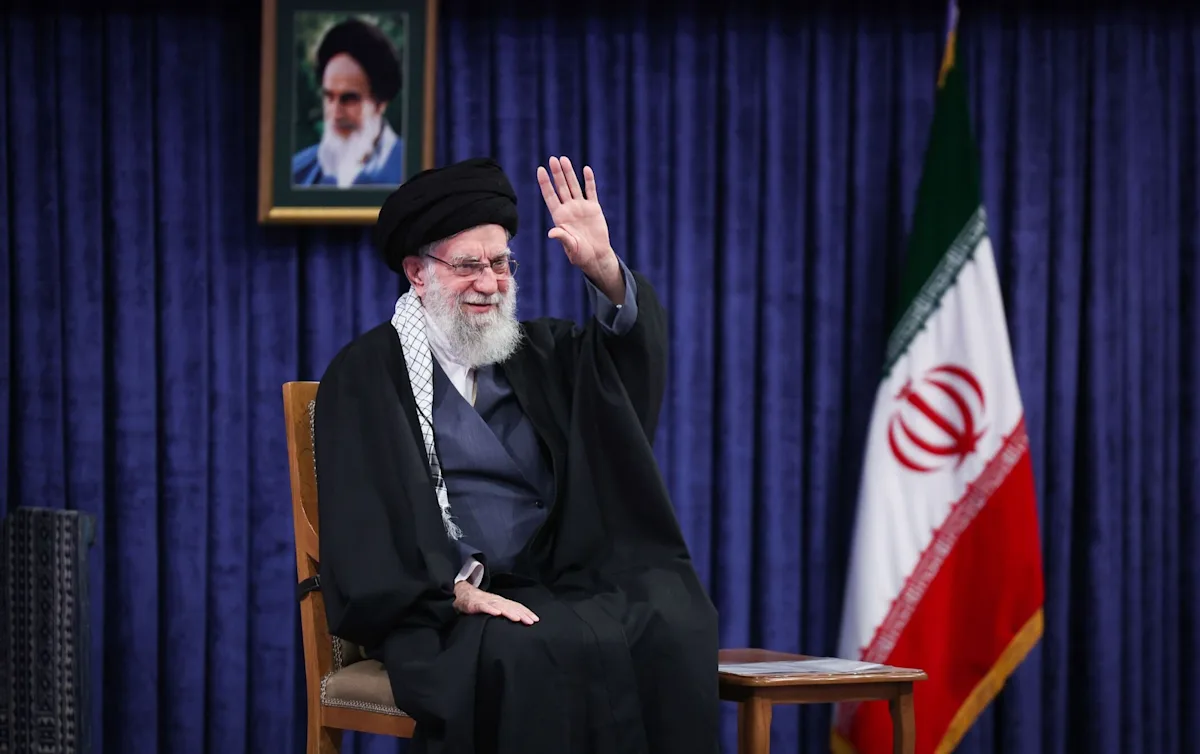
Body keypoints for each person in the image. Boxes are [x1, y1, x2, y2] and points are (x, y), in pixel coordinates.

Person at [312, 156, 721, 754]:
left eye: (501, 263)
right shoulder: (368, 373)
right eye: (468, 265)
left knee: (673, 619)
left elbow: (621, 382)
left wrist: (605, 269)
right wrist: (452, 587)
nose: (490, 282)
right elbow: (365, 517)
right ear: (417, 273)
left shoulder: (541, 353)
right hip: (446, 605)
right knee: (534, 651)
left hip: (564, 578)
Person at [292, 17, 404, 188]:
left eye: (349, 99)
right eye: (329, 97)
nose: (335, 113)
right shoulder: (298, 173)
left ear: (380, 103)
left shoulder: (410, 171)